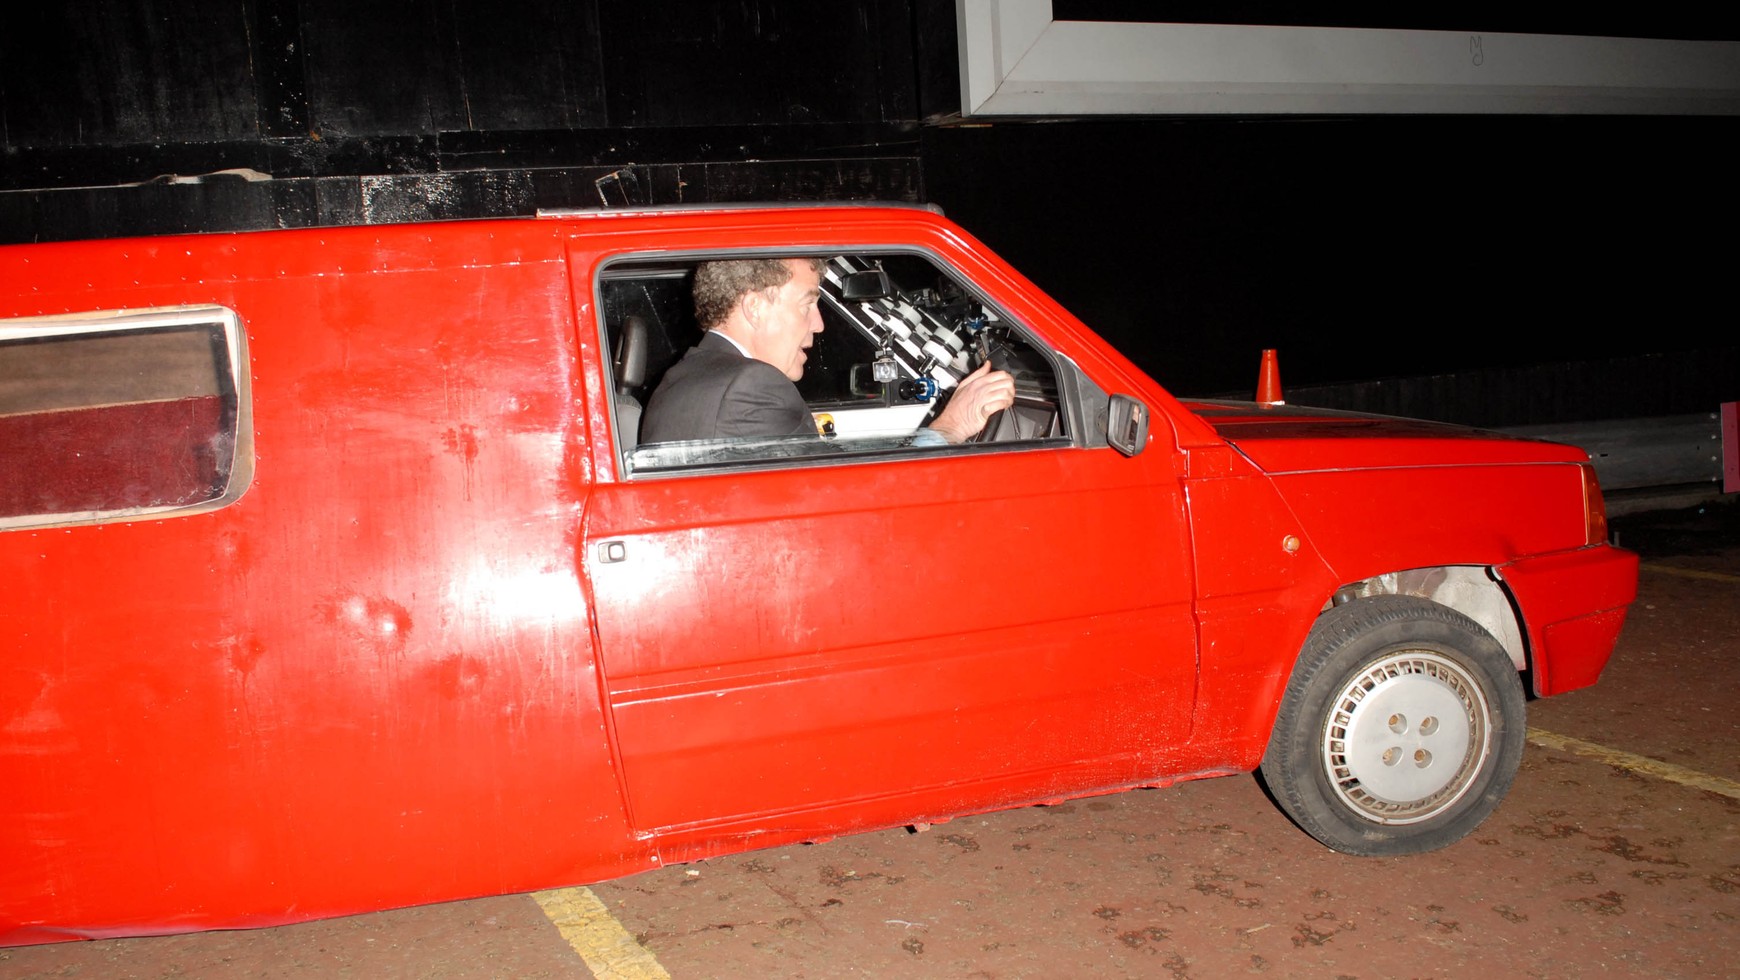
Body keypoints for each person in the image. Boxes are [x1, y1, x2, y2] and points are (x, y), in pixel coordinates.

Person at [639, 257, 1016, 445]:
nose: (818, 324)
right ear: (755, 308)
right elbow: (847, 503)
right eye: (807, 304)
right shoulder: (749, 386)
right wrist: (949, 428)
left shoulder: (681, 378)